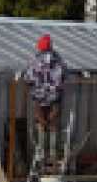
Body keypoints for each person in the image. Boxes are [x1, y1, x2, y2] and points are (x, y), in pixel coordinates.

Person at [24, 34, 66, 162]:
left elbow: (28, 78)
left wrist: (37, 85)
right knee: (53, 124)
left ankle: (41, 153)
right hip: (54, 96)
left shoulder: (35, 60)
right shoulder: (57, 59)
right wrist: (54, 87)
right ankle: (52, 154)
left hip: (39, 96)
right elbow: (63, 76)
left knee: (41, 123)